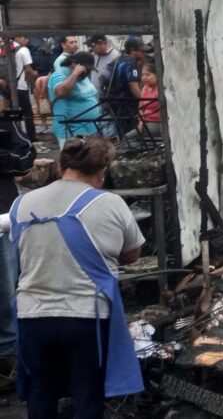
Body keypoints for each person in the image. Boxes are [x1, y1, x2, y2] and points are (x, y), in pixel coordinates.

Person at [9, 137, 144, 417]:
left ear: (61, 166)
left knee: (42, 390)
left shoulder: (21, 203)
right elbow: (132, 254)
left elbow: (20, 248)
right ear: (101, 171)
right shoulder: (110, 202)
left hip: (32, 315)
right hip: (85, 316)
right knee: (86, 393)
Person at [0, 112, 33, 389]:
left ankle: (9, 356)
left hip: (1, 219)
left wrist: (5, 161)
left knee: (8, 288)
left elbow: (27, 153)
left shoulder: (3, 121)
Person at [49, 52, 101, 149]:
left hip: (89, 128)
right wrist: (75, 73)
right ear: (74, 64)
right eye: (86, 69)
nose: (87, 73)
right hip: (70, 129)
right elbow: (60, 92)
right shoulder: (59, 75)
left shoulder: (83, 77)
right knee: (72, 160)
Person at [106, 37, 146, 133]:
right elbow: (134, 88)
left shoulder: (118, 60)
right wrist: (145, 103)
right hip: (128, 106)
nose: (143, 53)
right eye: (141, 51)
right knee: (132, 135)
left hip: (117, 104)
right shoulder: (131, 63)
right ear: (132, 50)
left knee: (123, 134)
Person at [120, 63, 161, 147]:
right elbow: (141, 108)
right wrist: (141, 121)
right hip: (145, 122)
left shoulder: (161, 90)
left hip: (158, 123)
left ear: (157, 75)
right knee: (126, 137)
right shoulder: (145, 88)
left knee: (137, 139)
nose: (144, 78)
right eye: (142, 75)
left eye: (148, 75)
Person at [87, 35, 121, 137]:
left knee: (109, 132)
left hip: (108, 100)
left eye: (93, 46)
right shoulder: (93, 56)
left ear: (103, 44)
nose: (91, 48)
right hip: (94, 100)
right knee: (97, 131)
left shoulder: (116, 56)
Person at [12, 36, 38, 142]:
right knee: (27, 112)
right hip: (21, 85)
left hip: (8, 86)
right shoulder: (24, 50)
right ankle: (31, 137)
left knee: (12, 112)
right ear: (17, 38)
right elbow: (28, 69)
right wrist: (35, 75)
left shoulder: (6, 49)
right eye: (24, 38)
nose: (27, 40)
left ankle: (15, 136)